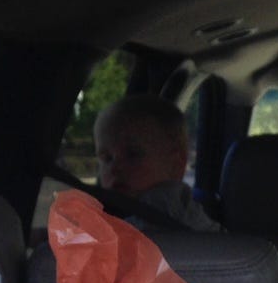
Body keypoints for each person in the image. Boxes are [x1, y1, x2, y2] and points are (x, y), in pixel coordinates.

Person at [92, 95, 221, 232]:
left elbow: (132, 237)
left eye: (133, 155)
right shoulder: (121, 204)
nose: (115, 168)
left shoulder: (166, 201)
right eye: (107, 158)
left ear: (176, 164)